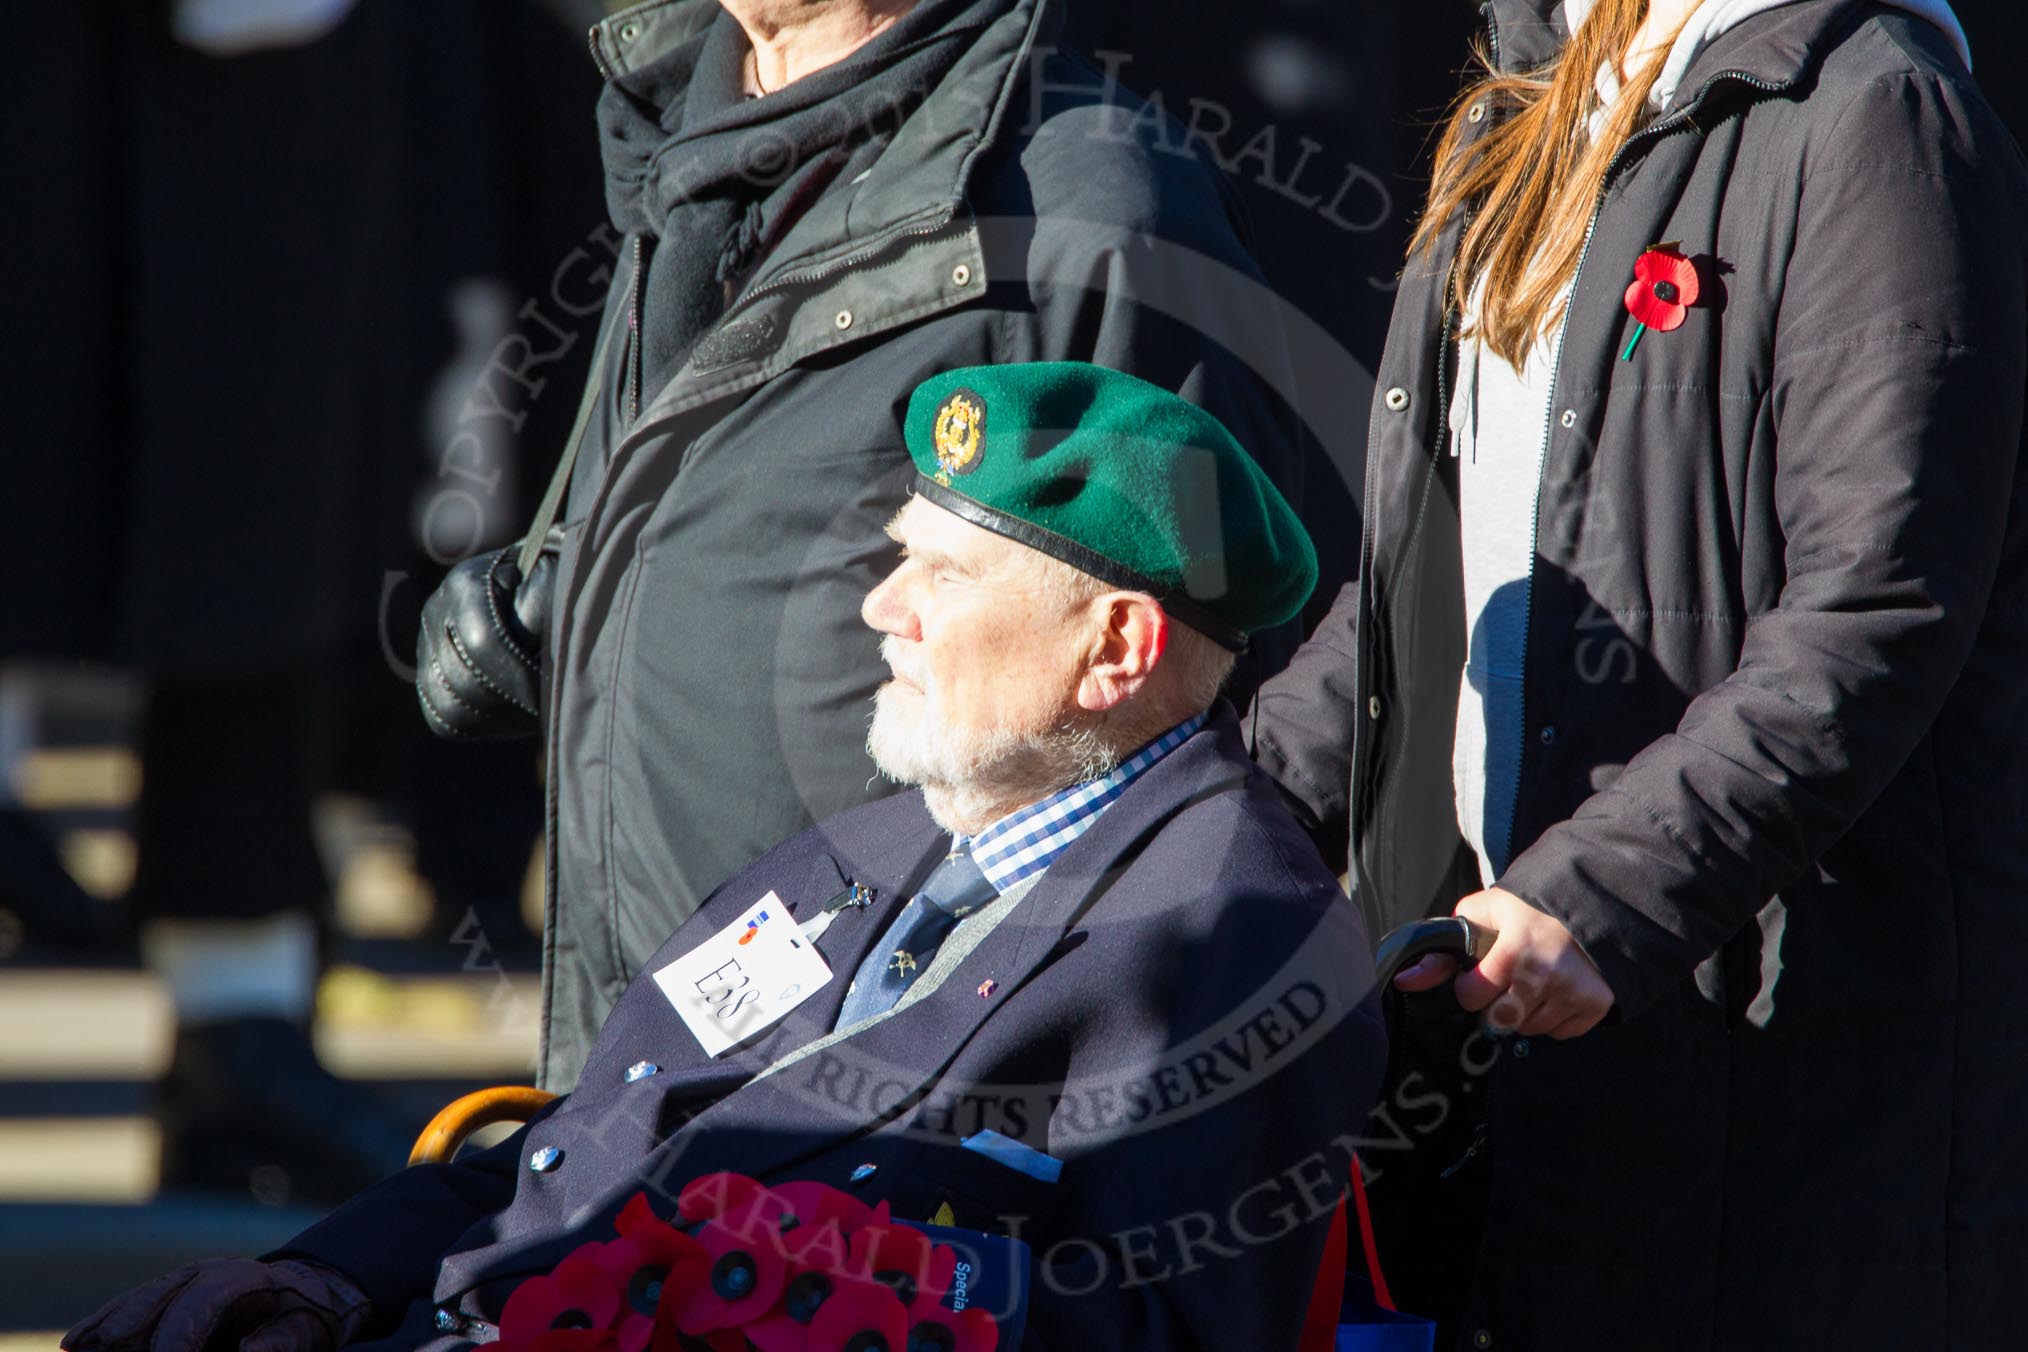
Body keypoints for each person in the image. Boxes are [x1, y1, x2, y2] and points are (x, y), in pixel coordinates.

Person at [70, 363, 1384, 1352]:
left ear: (1119, 649)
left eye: (946, 575)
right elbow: (579, 1147)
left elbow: (1171, 1334)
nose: (884, 608)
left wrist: (798, 1297)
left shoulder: (1233, 929)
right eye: (898, 559)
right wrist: (327, 1275)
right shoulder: (879, 838)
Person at [1250, 0, 2027, 1346]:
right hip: (1529, 1065)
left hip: (1787, 1089)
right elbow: (1414, 599)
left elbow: (1876, 608)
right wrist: (1203, 835)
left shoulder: (1876, 112)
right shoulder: (1532, 100)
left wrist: (1597, 899)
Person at [413, 0, 1306, 1091]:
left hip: (892, 1079)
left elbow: (1208, 687)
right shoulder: (690, 133)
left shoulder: (1093, 204)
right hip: (651, 1028)